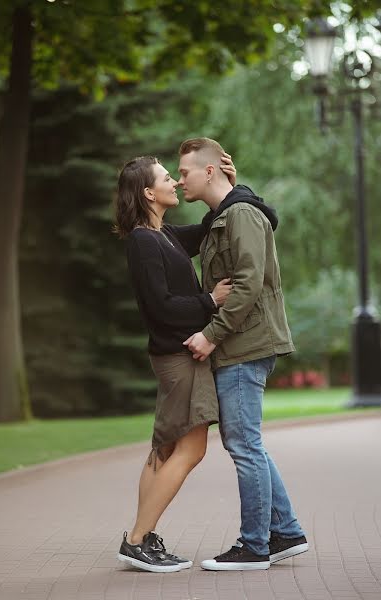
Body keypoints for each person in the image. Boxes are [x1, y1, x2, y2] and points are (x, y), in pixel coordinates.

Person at [179, 137, 308, 571]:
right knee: (246, 441)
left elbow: (248, 284)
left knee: (244, 445)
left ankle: (254, 546)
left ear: (210, 171)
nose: (180, 182)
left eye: (185, 173)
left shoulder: (242, 215)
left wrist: (211, 335)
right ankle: (285, 532)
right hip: (240, 344)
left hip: (242, 345)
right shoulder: (227, 214)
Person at [114, 153, 235, 573]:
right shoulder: (144, 241)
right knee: (192, 447)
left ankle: (141, 536)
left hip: (172, 355)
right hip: (177, 357)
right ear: (149, 192)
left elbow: (206, 230)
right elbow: (160, 307)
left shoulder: (161, 234)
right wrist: (210, 301)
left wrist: (224, 184)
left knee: (164, 449)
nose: (175, 182)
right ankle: (135, 540)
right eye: (168, 177)